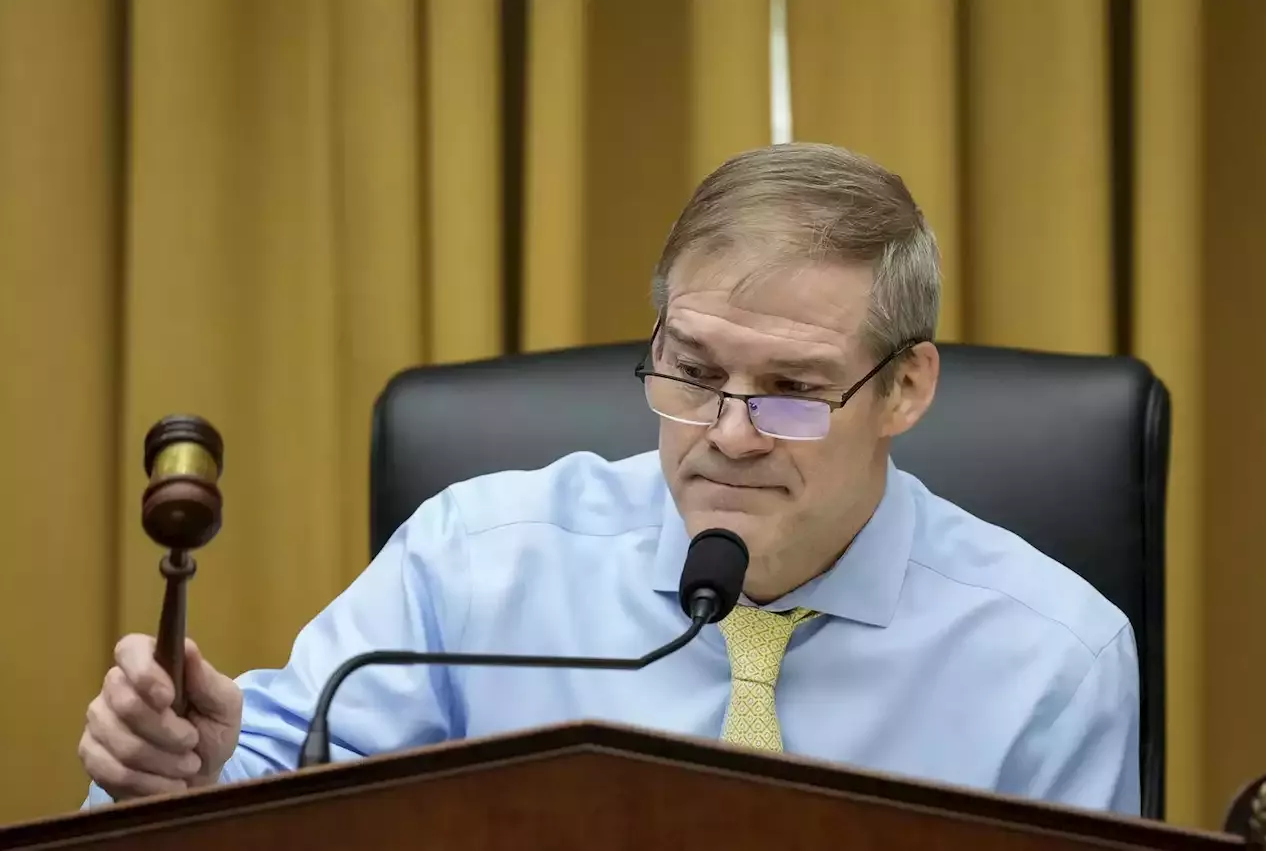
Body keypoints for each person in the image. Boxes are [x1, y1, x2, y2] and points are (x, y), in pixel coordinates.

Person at [79, 142, 1139, 814]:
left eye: (788, 387)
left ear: (904, 389)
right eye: (692, 370)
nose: (727, 433)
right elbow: (263, 790)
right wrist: (182, 777)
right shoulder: (474, 562)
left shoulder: (1051, 656)